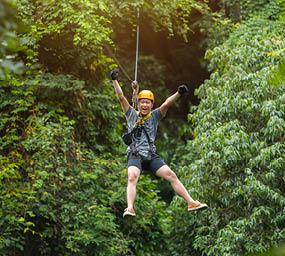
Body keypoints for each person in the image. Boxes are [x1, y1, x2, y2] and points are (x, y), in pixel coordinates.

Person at [110, 68, 208, 217]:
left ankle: (191, 202)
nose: (144, 105)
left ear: (151, 104)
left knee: (171, 175)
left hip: (150, 155)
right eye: (142, 102)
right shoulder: (131, 114)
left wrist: (179, 94)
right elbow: (121, 97)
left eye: (147, 103)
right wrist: (114, 80)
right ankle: (129, 208)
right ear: (138, 102)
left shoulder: (154, 116)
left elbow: (166, 104)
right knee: (132, 176)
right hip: (135, 154)